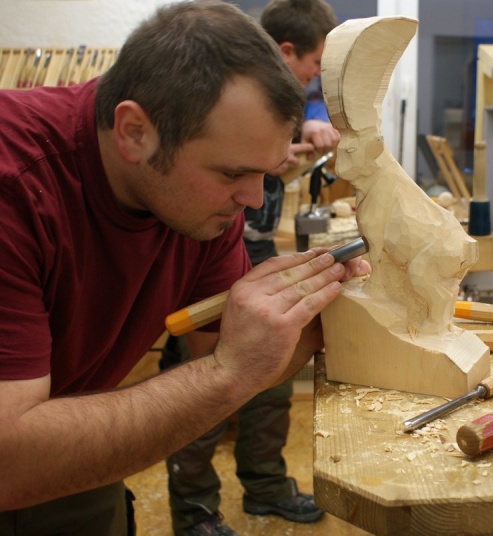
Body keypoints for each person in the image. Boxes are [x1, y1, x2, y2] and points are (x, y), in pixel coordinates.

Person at [0, 1, 368, 535]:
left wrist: (309, 327)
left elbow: (222, 351)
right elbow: (9, 458)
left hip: (68, 444)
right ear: (134, 132)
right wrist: (229, 373)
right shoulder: (17, 181)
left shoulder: (202, 206)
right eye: (233, 174)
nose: (252, 199)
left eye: (264, 174)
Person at [162, 1, 340, 534]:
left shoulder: (284, 104)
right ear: (286, 51)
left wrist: (297, 141)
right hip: (200, 251)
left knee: (270, 380)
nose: (316, 77)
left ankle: (265, 487)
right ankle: (194, 510)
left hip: (253, 251)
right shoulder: (217, 95)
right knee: (200, 385)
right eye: (315, 64)